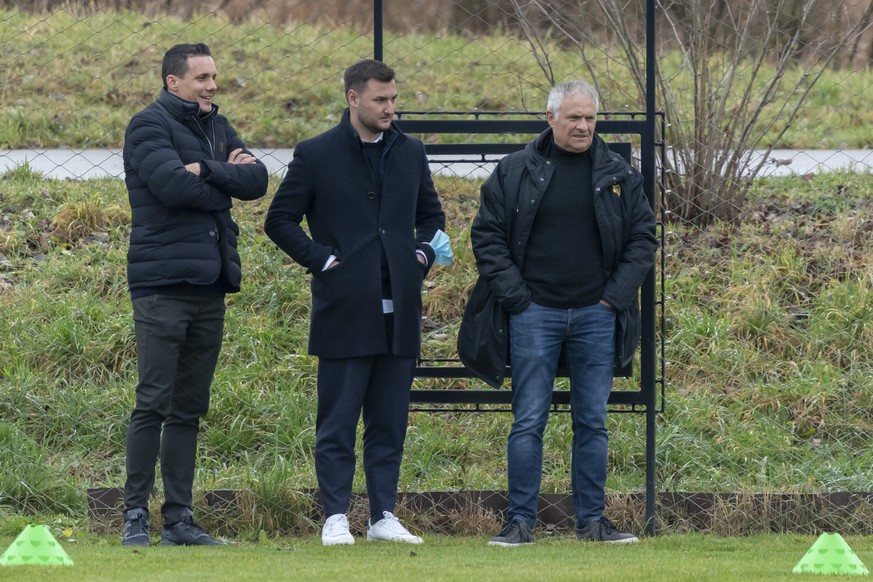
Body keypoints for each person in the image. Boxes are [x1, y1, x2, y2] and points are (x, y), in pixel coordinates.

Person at [459, 80, 657, 546]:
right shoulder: (514, 172)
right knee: (528, 419)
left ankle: (592, 523)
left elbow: (643, 238)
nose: (584, 126)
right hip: (533, 315)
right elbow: (486, 237)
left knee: (593, 421)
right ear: (550, 118)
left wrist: (613, 298)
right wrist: (519, 299)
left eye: (590, 117)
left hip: (597, 314)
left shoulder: (618, 174)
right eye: (574, 118)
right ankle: (520, 523)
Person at [264, 59, 446, 546]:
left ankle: (383, 514)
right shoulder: (316, 154)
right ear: (353, 98)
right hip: (345, 309)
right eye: (380, 100)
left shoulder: (410, 152)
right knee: (339, 420)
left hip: (401, 311)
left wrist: (423, 256)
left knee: (389, 421)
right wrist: (322, 260)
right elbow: (279, 220)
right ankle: (335, 517)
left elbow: (431, 215)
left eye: (393, 99)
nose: (390, 108)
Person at [120, 42, 268, 547]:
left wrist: (206, 169)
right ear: (172, 82)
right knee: (152, 403)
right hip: (162, 287)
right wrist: (226, 178)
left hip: (211, 285)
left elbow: (258, 180)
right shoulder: (148, 126)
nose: (211, 86)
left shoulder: (216, 127)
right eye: (202, 77)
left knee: (189, 408)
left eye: (214, 77)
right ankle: (135, 515)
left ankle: (178, 520)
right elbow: (170, 188)